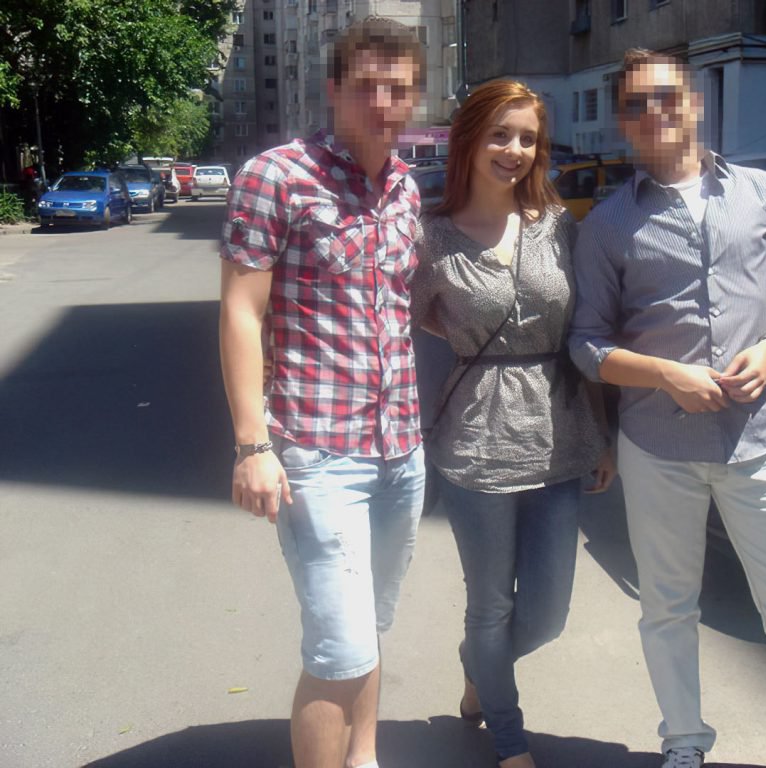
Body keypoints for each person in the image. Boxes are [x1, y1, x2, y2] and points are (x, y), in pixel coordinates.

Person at [569, 49, 766, 768]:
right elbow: (586, 344)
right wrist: (665, 375)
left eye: (666, 97)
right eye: (635, 105)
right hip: (657, 447)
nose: (653, 113)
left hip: (754, 441)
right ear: (622, 122)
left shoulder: (761, 193)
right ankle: (683, 739)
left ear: (694, 103)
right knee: (667, 606)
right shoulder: (608, 224)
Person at [218, 18, 426, 768]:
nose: (382, 102)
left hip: (401, 451)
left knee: (367, 629)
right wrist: (252, 445)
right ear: (333, 89)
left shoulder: (405, 188)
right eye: (366, 85)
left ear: (414, 97)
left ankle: (363, 758)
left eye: (397, 89)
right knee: (339, 649)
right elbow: (241, 312)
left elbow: (399, 306)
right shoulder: (275, 176)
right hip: (317, 453)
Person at [411, 79, 615, 768]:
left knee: (548, 614)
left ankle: (478, 662)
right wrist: (467, 339)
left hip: (562, 437)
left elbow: (585, 332)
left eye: (527, 138)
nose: (515, 150)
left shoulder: (557, 226)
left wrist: (603, 433)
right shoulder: (433, 237)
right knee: (492, 605)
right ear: (469, 140)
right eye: (500, 134)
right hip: (475, 445)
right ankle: (508, 738)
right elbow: (409, 317)